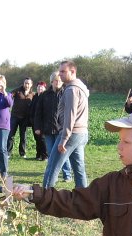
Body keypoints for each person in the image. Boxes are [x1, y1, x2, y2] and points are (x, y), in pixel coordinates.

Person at [41, 60, 90, 188]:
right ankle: (84, 198)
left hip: (71, 133)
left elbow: (70, 116)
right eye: (60, 71)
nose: (60, 74)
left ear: (73, 72)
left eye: (63, 71)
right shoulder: (81, 88)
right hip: (81, 133)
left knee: (52, 168)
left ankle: (44, 198)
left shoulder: (71, 90)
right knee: (79, 170)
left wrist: (63, 139)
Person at [33, 71, 72, 181]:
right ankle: (51, 174)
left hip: (61, 130)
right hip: (48, 129)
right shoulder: (45, 95)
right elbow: (38, 112)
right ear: (51, 82)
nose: (58, 82)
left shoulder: (66, 93)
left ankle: (67, 175)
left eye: (60, 80)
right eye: (56, 80)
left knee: (63, 153)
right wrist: (37, 127)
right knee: (51, 153)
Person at [8, 77, 34, 158]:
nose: (27, 85)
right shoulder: (17, 90)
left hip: (25, 118)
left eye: (28, 83)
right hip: (15, 116)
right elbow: (9, 95)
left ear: (31, 84)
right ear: (23, 83)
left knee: (23, 136)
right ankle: (8, 153)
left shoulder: (32, 94)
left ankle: (22, 153)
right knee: (11, 135)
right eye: (25, 83)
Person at [30, 81, 48, 161]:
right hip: (34, 121)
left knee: (42, 138)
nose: (39, 88)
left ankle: (45, 155)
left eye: (41, 87)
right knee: (37, 138)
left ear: (44, 88)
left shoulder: (46, 97)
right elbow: (32, 108)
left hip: (43, 121)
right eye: (38, 87)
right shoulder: (35, 97)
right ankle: (38, 154)